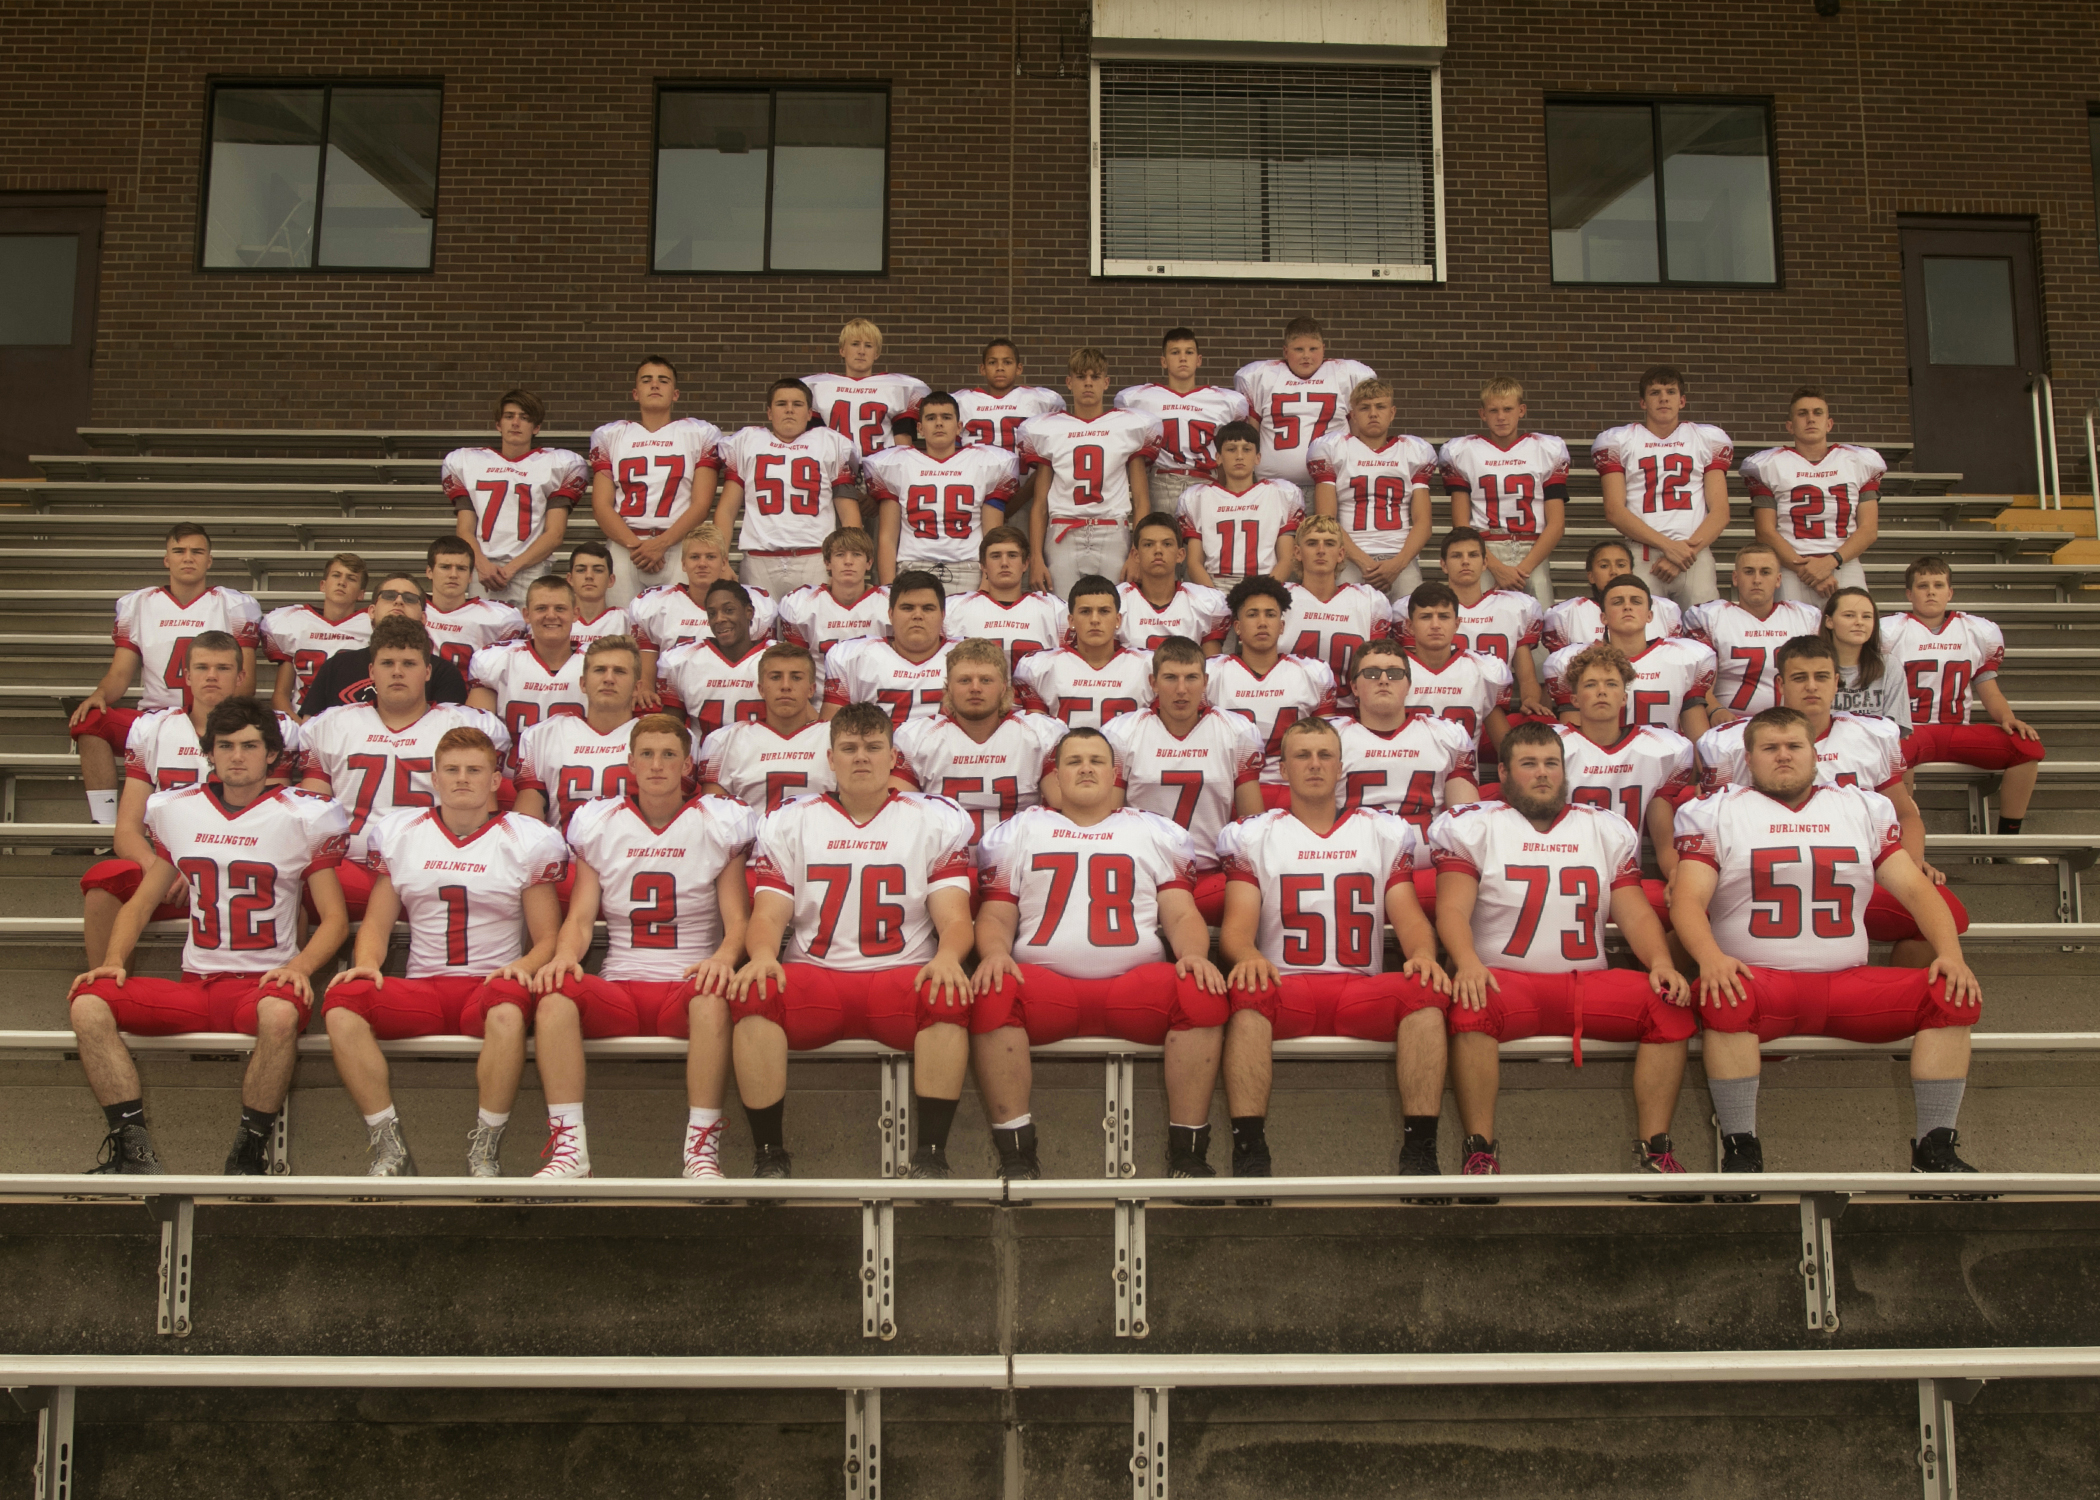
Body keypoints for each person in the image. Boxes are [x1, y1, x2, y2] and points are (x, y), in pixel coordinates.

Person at [1671, 706, 1985, 1182]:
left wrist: (1951, 956)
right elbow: (1688, 899)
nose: (1783, 757)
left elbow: (1918, 889)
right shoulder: (1715, 812)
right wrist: (1712, 958)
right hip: (1763, 981)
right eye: (1769, 748)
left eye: (1794, 746)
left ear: (1814, 754)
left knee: (1950, 993)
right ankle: (1741, 1146)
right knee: (1724, 996)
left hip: (1849, 982)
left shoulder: (1859, 806)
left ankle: (1934, 1149)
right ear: (1748, 758)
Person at [66, 698, 350, 1174]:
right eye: (226, 745)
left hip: (262, 985)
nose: (237, 755)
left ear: (273, 754)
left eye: (249, 745)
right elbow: (140, 903)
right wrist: (114, 959)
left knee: (280, 1014)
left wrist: (297, 969)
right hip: (194, 985)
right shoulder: (177, 809)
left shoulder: (305, 816)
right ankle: (132, 1146)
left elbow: (336, 919)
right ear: (209, 754)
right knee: (88, 1002)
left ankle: (249, 1149)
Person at [1429, 721, 1695, 1181]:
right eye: (1528, 764)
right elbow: (1451, 909)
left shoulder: (1603, 828)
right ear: (1506, 775)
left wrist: (1662, 963)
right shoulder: (1474, 825)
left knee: (1667, 1004)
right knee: (1470, 1005)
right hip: (1504, 980)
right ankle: (1480, 1149)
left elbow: (1632, 912)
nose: (1542, 773)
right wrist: (1468, 963)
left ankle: (1655, 1149)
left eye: (1551, 763)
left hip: (1587, 982)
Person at [729, 704, 978, 1178]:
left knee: (947, 989)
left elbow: (954, 916)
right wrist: (761, 955)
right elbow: (768, 914)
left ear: (892, 757)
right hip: (814, 977)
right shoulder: (791, 821)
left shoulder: (933, 820)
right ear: (830, 758)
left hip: (902, 975)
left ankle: (930, 1156)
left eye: (872, 747)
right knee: (756, 988)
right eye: (849, 748)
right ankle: (768, 1155)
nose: (860, 757)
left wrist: (949, 957)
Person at [972, 727, 1231, 1179]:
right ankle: (1017, 1154)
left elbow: (1181, 912)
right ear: (1055, 774)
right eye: (1074, 761)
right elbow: (995, 916)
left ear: (1116, 774)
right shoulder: (1018, 833)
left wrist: (1192, 953)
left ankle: (1188, 1153)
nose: (1086, 768)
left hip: (1136, 987)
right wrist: (994, 954)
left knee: (1200, 992)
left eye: (1096, 760)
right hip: (1043, 987)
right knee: (991, 992)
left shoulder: (1154, 831)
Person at [322, 726, 566, 1177]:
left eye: (475, 770)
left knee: (509, 1013)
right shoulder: (402, 833)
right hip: (424, 987)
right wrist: (367, 966)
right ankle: (388, 1145)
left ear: (496, 780)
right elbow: (377, 922)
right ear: (433, 778)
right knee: (340, 1006)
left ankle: (485, 1148)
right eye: (451, 770)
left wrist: (521, 968)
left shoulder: (526, 838)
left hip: (491, 986)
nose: (462, 779)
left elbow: (548, 937)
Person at [1217, 718, 1450, 1180]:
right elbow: (1236, 930)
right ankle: (1249, 1150)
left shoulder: (1382, 831)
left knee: (1425, 996)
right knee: (1246, 1000)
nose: (1315, 764)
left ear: (1342, 767)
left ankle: (1421, 1151)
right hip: (1285, 985)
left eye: (1325, 755)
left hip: (1361, 990)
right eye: (1302, 755)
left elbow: (1407, 916)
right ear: (1282, 769)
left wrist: (1422, 953)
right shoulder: (1253, 834)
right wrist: (1247, 956)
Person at [537, 714, 756, 1179]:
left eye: (669, 754)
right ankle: (568, 1148)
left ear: (687, 765)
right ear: (630, 763)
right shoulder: (600, 823)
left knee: (713, 999)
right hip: (620, 982)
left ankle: (701, 1150)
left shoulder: (717, 823)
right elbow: (579, 918)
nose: (658, 764)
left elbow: (738, 922)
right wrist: (563, 957)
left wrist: (721, 958)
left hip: (687, 982)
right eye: (648, 754)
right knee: (554, 998)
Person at [1695, 634, 1968, 967]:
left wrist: (1909, 862)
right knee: (1693, 911)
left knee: (1947, 915)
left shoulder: (1871, 735)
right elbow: (1708, 823)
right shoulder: (1734, 743)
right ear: (1780, 684)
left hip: (1853, 871)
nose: (1812, 686)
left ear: (1837, 681)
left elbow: (1903, 813)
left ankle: (1889, 984)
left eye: (1821, 676)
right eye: (1799, 677)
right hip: (1763, 877)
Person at [79, 632, 302, 966]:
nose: (211, 676)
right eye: (202, 667)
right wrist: (165, 868)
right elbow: (126, 830)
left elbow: (271, 818)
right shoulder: (152, 729)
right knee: (103, 882)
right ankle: (103, 989)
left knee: (299, 888)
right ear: (186, 674)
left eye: (223, 668)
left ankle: (280, 991)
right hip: (167, 872)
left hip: (243, 872)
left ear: (241, 676)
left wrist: (202, 868)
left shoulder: (273, 729)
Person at [297, 617, 511, 917]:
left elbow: (483, 813)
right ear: (372, 671)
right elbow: (312, 815)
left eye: (409, 663)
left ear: (427, 671)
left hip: (437, 866)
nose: (397, 672)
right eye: (387, 663)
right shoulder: (331, 725)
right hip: (354, 867)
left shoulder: (465, 724)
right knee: (300, 872)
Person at [68, 523, 262, 829]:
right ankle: (103, 826)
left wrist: (221, 717)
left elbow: (245, 679)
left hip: (214, 715)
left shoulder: (234, 605)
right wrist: (100, 695)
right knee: (91, 720)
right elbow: (120, 672)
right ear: (166, 559)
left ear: (209, 560)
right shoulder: (140, 604)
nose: (188, 558)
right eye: (179, 551)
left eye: (197, 551)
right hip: (156, 717)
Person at [1880, 556, 2045, 844]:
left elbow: (1988, 688)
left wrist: (2007, 717)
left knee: (2027, 747)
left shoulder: (1976, 631)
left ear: (1950, 592)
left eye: (1938, 585)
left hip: (1957, 730)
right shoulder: (1890, 631)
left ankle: (2008, 841)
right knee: (1889, 754)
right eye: (1922, 585)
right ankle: (1902, 844)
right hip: (1910, 730)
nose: (1931, 591)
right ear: (1909, 594)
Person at [1102, 637, 1265, 925]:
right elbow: (1109, 820)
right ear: (1152, 682)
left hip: (1210, 875)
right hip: (1142, 872)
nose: (1181, 689)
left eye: (1191, 678)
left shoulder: (1235, 731)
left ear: (1205, 681)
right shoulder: (1123, 732)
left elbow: (1252, 825)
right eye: (1170, 678)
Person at [1550, 643, 1699, 922]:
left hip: (1629, 879)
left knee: (1696, 902)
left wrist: (1678, 874)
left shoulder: (1658, 749)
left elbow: (1663, 837)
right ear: (1575, 699)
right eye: (1591, 684)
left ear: (1624, 698)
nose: (1602, 691)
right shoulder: (1551, 746)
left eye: (1611, 684)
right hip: (1561, 872)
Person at [891, 640, 1064, 851]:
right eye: (964, 680)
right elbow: (896, 816)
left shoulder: (1038, 734)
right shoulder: (917, 738)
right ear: (948, 688)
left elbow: (1063, 809)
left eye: (986, 680)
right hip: (942, 865)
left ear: (1003, 688)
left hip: (1017, 863)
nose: (975, 688)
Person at [1017, 347, 1162, 597]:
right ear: (1069, 382)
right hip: (1063, 531)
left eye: (1095, 377)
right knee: (1063, 612)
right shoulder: (1048, 428)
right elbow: (1039, 503)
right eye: (1081, 377)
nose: (1087, 383)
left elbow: (1140, 498)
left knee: (1114, 612)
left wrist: (1136, 552)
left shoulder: (1129, 426)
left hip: (1112, 530)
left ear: (1106, 383)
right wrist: (1037, 557)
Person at [588, 355, 725, 605]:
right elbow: (601, 505)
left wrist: (661, 544)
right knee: (623, 626)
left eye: (663, 380)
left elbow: (702, 503)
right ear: (635, 393)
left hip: (677, 545)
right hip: (625, 547)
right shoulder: (610, 436)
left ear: (675, 393)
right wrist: (637, 545)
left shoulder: (699, 434)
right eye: (646, 380)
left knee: (676, 625)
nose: (654, 385)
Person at [1595, 364, 1733, 607]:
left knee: (1701, 632)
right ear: (1642, 402)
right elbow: (1614, 511)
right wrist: (1669, 548)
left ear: (1682, 401)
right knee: (1642, 633)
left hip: (1694, 554)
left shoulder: (1705, 439)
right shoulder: (1620, 440)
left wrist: (1682, 554)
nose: (1663, 399)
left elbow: (1720, 511)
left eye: (1670, 392)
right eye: (1655, 392)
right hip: (1642, 555)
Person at [714, 377, 863, 600]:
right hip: (759, 560)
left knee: (813, 632)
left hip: (814, 559)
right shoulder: (748, 442)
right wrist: (721, 561)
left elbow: (848, 513)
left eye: (797, 404)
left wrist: (844, 563)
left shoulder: (828, 443)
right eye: (781, 404)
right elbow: (726, 510)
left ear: (809, 413)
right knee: (757, 632)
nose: (789, 410)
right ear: (769, 412)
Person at [863, 390, 1020, 592]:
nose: (939, 423)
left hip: (969, 568)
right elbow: (888, 536)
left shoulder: (986, 463)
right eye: (931, 418)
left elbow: (993, 535)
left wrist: (986, 582)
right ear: (919, 427)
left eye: (946, 417)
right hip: (913, 567)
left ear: (959, 426)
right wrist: (888, 586)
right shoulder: (896, 464)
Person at [441, 389, 588, 604]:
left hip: (530, 568)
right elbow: (465, 529)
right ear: (498, 424)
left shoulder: (559, 464)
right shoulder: (467, 461)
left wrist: (511, 569)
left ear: (536, 427)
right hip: (483, 568)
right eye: (509, 416)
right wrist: (482, 565)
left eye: (525, 418)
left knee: (531, 634)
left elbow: (555, 534)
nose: (516, 423)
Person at [1439, 376, 1570, 612]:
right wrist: (1496, 566)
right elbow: (1461, 524)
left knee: (1541, 629)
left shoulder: (1547, 449)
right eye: (1494, 410)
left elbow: (1557, 524)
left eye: (1508, 409)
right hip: (1486, 549)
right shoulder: (1462, 451)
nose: (1501, 417)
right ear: (1482, 414)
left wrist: (1523, 569)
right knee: (1479, 620)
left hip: (1534, 550)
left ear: (1521, 410)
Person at [1744, 387, 1884, 602]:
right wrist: (1806, 570)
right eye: (1802, 414)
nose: (1810, 419)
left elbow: (1868, 530)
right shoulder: (1769, 465)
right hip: (1792, 568)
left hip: (1844, 565)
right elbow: (1765, 532)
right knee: (1796, 634)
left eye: (1818, 413)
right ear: (1790, 426)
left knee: (1854, 630)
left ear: (1829, 423)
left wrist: (1830, 562)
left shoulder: (1858, 462)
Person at [513, 636, 662, 833]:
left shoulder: (660, 736)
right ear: (583, 684)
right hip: (568, 857)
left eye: (619, 671)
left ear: (637, 688)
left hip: (637, 857)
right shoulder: (545, 735)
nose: (609, 678)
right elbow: (527, 826)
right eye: (600, 670)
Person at [1306, 377, 1435, 599]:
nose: (1373, 414)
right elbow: (1326, 518)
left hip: (1400, 556)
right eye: (1365, 408)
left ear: (1392, 412)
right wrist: (1363, 561)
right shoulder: (1335, 449)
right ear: (1353, 415)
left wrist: (1398, 564)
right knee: (1347, 622)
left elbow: (1423, 522)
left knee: (1412, 621)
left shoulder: (1413, 451)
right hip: (1348, 555)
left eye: (1380, 407)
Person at [1331, 639, 1479, 827]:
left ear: (1408, 685)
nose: (1383, 680)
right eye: (1371, 673)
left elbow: (1467, 824)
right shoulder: (1331, 737)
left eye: (1394, 673)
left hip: (1428, 853)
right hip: (1359, 853)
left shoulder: (1446, 735)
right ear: (1354, 687)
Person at [1400, 528, 1548, 717]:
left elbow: (1527, 678)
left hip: (1496, 712)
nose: (1465, 561)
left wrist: (1529, 701)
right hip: (1435, 710)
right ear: (1443, 565)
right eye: (1456, 556)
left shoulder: (1513, 608)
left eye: (1473, 555)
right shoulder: (1422, 608)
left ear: (1485, 562)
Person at [1544, 576, 1713, 740]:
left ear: (1649, 615)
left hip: (1662, 765)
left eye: (1636, 601)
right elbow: (1573, 741)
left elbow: (1697, 739)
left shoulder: (1681, 658)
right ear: (1603, 617)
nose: (1627, 607)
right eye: (1617, 602)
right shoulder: (1576, 661)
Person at [1235, 317, 1377, 507]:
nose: (1306, 356)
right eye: (1298, 349)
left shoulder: (1346, 375)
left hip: (1331, 486)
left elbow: (1358, 433)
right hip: (1275, 487)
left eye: (1313, 349)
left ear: (1323, 349)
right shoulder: (1261, 377)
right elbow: (1252, 434)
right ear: (1285, 351)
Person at [631, 525, 778, 708]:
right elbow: (648, 651)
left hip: (738, 695)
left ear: (724, 563)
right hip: (676, 697)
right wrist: (645, 687)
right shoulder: (657, 604)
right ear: (683, 563)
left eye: (710, 557)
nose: (702, 564)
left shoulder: (754, 603)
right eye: (694, 557)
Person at [1115, 326, 1251, 518]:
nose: (1182, 358)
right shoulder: (1138, 398)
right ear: (1164, 361)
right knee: (1162, 541)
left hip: (1205, 480)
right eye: (1175, 352)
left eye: (1189, 352)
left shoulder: (1226, 401)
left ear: (1199, 360)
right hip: (1162, 479)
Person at [1683, 544, 1823, 723]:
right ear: (1735, 577)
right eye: (1749, 572)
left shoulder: (1806, 618)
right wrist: (1716, 710)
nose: (1757, 580)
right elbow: (1696, 681)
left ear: (1778, 579)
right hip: (1732, 724)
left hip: (1791, 723)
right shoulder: (1709, 617)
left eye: (1765, 572)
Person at [300, 572, 474, 714]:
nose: (398, 601)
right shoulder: (336, 666)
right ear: (371, 612)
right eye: (389, 596)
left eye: (410, 598)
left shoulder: (444, 673)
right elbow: (310, 730)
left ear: (423, 618)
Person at [698, 642, 833, 812]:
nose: (785, 686)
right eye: (775, 677)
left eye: (796, 677)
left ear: (811, 689)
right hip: (752, 839)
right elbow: (715, 819)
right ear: (761, 689)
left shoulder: (834, 738)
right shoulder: (727, 741)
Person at [1175, 419, 1302, 594]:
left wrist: (1264, 595)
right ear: (1218, 457)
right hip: (1215, 584)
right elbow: (1194, 563)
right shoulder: (1197, 498)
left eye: (1247, 449)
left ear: (1258, 457)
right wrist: (1216, 599)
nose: (1239, 456)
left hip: (1266, 582)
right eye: (1231, 449)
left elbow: (1286, 559)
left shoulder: (1281, 494)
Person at [1014, 575, 1155, 729]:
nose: (1094, 619)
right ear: (1071, 621)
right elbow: (1037, 737)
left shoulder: (1147, 665)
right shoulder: (1041, 666)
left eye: (1104, 611)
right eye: (1085, 611)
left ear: (1117, 620)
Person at [466, 576, 588, 752]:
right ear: (526, 615)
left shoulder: (596, 662)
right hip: (511, 775)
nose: (551, 615)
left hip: (574, 773)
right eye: (541, 608)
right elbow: (474, 739)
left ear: (575, 614)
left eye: (560, 608)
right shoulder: (500, 661)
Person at [1281, 516, 1395, 698]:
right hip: (1293, 711)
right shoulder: (1279, 598)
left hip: (1350, 712)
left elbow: (1376, 665)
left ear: (1341, 554)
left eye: (1329, 543)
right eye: (1311, 543)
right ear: (1297, 552)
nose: (1321, 550)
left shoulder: (1368, 600)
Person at [823, 571, 957, 725]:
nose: (917, 615)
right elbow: (831, 731)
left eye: (928, 608)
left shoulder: (966, 656)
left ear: (943, 615)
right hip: (878, 749)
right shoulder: (853, 657)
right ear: (891, 614)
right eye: (907, 608)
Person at [1399, 581, 1514, 749]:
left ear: (1457, 624)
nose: (1435, 625)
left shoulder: (1481, 670)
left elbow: (1506, 749)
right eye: (1426, 616)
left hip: (1465, 774)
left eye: (1444, 616)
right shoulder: (1392, 670)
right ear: (1410, 626)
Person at [944, 525, 1071, 672]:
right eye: (996, 556)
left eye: (1012, 555)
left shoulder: (1054, 608)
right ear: (983, 565)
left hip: (1033, 695)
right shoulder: (953, 608)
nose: (1004, 563)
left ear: (1025, 564)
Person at [657, 580, 771, 739]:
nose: (719, 619)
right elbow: (669, 729)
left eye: (729, 610)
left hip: (759, 759)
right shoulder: (683, 660)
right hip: (705, 760)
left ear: (749, 612)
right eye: (712, 613)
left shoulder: (775, 657)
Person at [263, 552, 369, 719]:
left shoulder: (371, 626)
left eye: (351, 578)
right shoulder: (295, 621)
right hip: (302, 719)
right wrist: (299, 728)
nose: (342, 582)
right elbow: (280, 695)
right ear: (322, 585)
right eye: (336, 575)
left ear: (361, 594)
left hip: (352, 723)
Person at [804, 317, 929, 457]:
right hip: (834, 469)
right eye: (855, 344)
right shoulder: (818, 387)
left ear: (876, 353)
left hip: (880, 471)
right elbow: (812, 439)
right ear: (842, 350)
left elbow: (903, 442)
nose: (861, 351)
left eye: (868, 346)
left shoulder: (897, 387)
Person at [1541, 539, 1684, 652]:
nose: (1614, 572)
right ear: (1591, 576)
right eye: (1604, 566)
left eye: (1621, 565)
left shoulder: (1665, 610)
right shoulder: (1567, 613)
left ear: (1631, 572)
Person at [1117, 512, 1229, 655]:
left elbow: (1211, 667)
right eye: (1148, 544)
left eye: (1167, 544)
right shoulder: (1118, 601)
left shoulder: (1204, 602)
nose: (1158, 550)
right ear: (1136, 555)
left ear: (1180, 555)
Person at [775, 527, 891, 658]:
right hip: (820, 678)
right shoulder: (803, 603)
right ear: (827, 563)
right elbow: (796, 663)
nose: (848, 562)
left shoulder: (889, 601)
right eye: (840, 554)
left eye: (857, 554)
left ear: (869, 563)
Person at [422, 539, 526, 675]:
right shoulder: (412, 608)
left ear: (470, 576)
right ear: (429, 572)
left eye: (461, 568)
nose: (453, 575)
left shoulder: (498, 617)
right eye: (445, 567)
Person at [954, 338, 1066, 455]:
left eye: (1007, 362)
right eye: (992, 362)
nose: (1000, 368)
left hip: (1026, 474)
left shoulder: (1039, 400)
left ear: (1019, 369)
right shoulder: (963, 401)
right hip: (978, 472)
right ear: (983, 369)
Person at [1821, 587, 1906, 719]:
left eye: (1866, 616)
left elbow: (1894, 732)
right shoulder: (1809, 665)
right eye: (1849, 615)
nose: (1859, 622)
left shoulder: (1889, 666)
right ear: (1829, 621)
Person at [566, 543, 633, 647]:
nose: (589, 576)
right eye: (581, 570)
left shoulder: (627, 620)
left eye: (598, 570)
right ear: (570, 579)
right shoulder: (557, 619)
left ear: (611, 580)